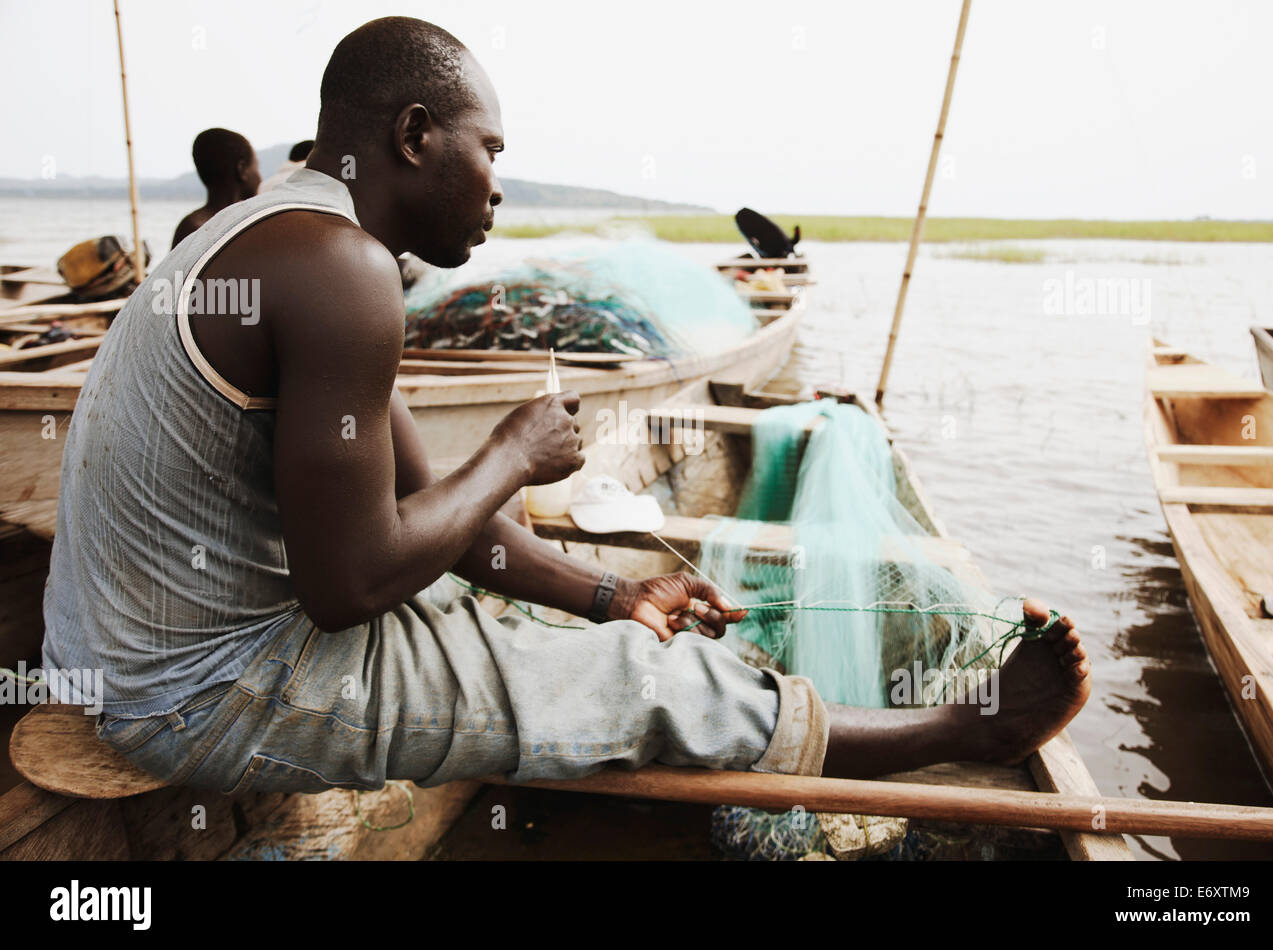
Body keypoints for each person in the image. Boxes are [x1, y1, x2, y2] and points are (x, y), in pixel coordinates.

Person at [42, 17, 1091, 799]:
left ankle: (627, 644)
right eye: (490, 149)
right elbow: (349, 581)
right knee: (637, 682)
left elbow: (420, 500)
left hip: (109, 653)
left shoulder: (285, 234)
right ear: (414, 134)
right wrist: (510, 450)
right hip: (190, 694)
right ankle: (964, 732)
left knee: (507, 609)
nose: (499, 183)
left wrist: (601, 594)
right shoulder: (341, 268)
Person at [171, 128, 261, 248]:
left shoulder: (189, 226)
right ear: (242, 169)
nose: (260, 177)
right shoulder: (226, 229)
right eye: (256, 167)